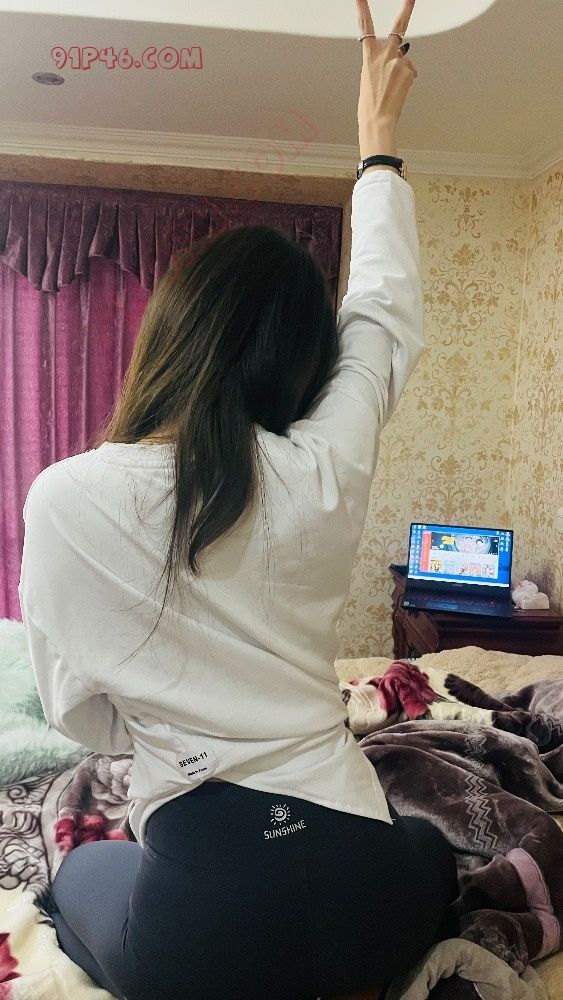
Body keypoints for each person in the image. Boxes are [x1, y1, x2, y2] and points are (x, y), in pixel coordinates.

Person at [18, 1, 458, 998]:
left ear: (170, 333)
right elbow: (382, 317)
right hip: (366, 895)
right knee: (427, 853)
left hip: (201, 931)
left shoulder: (64, 498)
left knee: (78, 876)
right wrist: (376, 147)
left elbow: (87, 718)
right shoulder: (319, 468)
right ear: (302, 364)